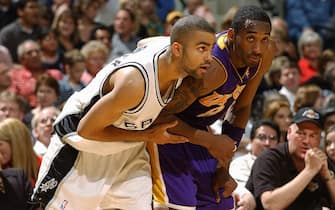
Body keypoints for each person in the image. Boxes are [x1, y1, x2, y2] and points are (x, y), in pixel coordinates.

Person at [31, 15, 216, 210]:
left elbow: (144, 42)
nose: (209, 58)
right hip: (83, 145)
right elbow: (86, 130)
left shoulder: (173, 53)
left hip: (128, 146)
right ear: (177, 49)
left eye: (210, 49)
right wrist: (148, 135)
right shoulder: (134, 82)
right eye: (202, 49)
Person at [150, 5, 276, 210]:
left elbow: (242, 107)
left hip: (200, 132)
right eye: (251, 38)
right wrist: (209, 140)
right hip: (167, 133)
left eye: (264, 39)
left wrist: (224, 165)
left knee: (221, 203)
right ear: (233, 36)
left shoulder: (265, 53)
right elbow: (158, 115)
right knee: (180, 206)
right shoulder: (212, 69)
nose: (258, 48)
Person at [246, 107, 335, 210]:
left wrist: (328, 177)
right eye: (301, 133)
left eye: (313, 135)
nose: (306, 141)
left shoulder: (321, 160)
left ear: (320, 140)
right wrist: (309, 171)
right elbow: (270, 205)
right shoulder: (269, 159)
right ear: (289, 133)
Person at [229, 120, 280, 210]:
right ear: (251, 141)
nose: (267, 143)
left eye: (272, 138)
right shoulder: (240, 163)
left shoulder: (283, 165)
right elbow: (241, 189)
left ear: (279, 144)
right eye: (261, 137)